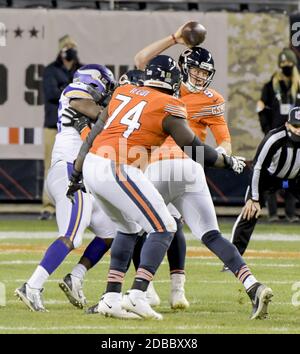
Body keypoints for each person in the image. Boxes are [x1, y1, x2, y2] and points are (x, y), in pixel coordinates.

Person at [67, 55, 271, 320]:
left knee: (129, 228)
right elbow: (196, 149)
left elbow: (94, 134)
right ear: (172, 77)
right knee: (182, 229)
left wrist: (76, 172)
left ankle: (114, 296)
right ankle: (143, 292)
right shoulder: (173, 103)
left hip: (103, 162)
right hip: (140, 166)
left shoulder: (123, 91)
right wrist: (227, 162)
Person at [131, 23, 232, 305]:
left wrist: (217, 157)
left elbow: (224, 139)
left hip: (183, 165)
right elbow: (141, 60)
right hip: (151, 162)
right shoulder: (167, 84)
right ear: (183, 67)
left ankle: (176, 289)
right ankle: (148, 289)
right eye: (196, 70)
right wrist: (175, 39)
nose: (200, 77)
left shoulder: (211, 100)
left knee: (166, 225)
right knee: (151, 226)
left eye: (204, 73)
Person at [15, 64, 116, 312]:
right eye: (105, 87)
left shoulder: (84, 104)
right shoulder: (74, 92)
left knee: (110, 231)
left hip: (79, 173)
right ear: (93, 82)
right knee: (71, 236)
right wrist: (112, 110)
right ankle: (32, 285)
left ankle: (75, 277)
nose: (107, 94)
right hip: (70, 172)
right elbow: (87, 107)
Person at [228, 106, 300, 260]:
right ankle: (232, 260)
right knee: (250, 212)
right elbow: (258, 166)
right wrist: (254, 198)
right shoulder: (274, 138)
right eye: (296, 125)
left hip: (293, 181)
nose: (299, 130)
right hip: (269, 179)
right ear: (287, 124)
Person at [39, 34, 82, 221]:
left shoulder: (81, 69)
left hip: (75, 126)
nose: (70, 49)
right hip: (53, 125)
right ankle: (48, 206)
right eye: (67, 46)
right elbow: (51, 94)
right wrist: (72, 90)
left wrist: (66, 89)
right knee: (50, 164)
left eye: (73, 46)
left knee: (78, 164)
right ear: (61, 49)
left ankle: (75, 201)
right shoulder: (51, 70)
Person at [257, 48, 300, 222]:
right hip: (277, 137)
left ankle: (290, 213)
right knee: (272, 172)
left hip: (297, 138)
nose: (287, 67)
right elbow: (261, 108)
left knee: (293, 173)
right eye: (284, 65)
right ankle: (273, 213)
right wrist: (267, 130)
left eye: (289, 64)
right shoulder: (270, 86)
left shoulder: (298, 84)